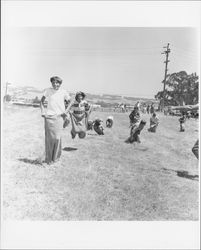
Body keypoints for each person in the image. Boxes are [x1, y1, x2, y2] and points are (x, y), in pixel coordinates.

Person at [40, 76, 71, 164]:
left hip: (60, 117)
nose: (55, 84)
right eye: (53, 82)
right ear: (51, 83)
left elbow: (70, 101)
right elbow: (41, 101)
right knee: (50, 139)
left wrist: (66, 111)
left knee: (57, 138)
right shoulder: (48, 91)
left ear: (60, 84)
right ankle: (48, 159)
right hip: (49, 117)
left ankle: (56, 158)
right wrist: (43, 112)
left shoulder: (63, 92)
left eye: (57, 83)